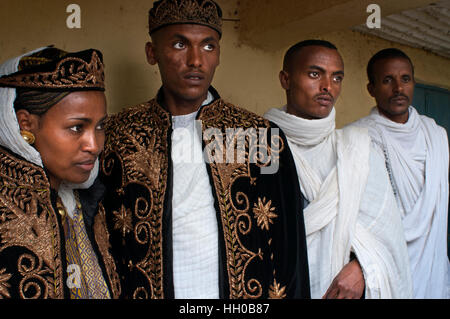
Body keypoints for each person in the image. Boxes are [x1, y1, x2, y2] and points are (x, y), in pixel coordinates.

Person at [98, 0, 310, 299]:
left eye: (208, 46)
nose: (196, 60)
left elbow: (289, 247)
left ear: (219, 55)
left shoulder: (257, 135)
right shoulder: (119, 135)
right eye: (179, 44)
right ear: (152, 53)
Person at [264, 40, 412, 299]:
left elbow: (388, 238)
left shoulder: (358, 149)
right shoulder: (258, 145)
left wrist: (362, 268)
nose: (327, 87)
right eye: (314, 74)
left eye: (337, 77)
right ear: (285, 79)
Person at [0, 47, 120, 299]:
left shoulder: (88, 198)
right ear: (25, 123)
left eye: (100, 126)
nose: (95, 145)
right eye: (77, 127)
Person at [351, 48, 450, 298]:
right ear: (371, 88)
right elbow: (355, 217)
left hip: (433, 269)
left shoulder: (436, 135)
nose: (398, 88)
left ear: (413, 83)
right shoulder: (357, 137)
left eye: (405, 79)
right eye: (387, 80)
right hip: (382, 267)